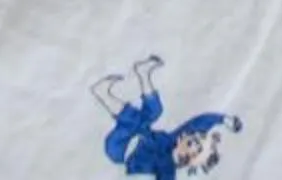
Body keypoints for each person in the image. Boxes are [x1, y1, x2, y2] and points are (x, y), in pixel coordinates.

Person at [93, 55, 240, 176]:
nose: (191, 138)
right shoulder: (173, 141)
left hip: (120, 148)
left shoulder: (166, 166)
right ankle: (143, 74)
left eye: (193, 145)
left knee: (136, 121)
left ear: (188, 158)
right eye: (195, 138)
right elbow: (197, 123)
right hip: (137, 134)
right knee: (154, 111)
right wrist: (223, 119)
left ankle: (103, 93)